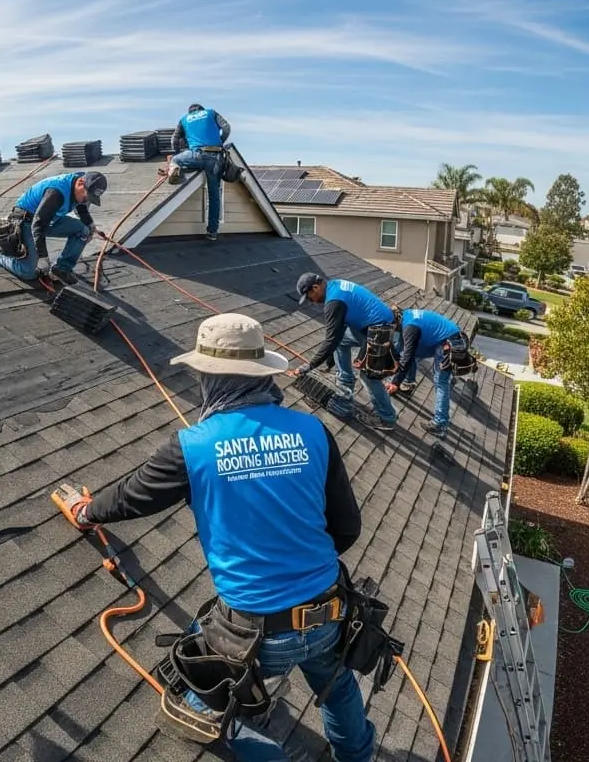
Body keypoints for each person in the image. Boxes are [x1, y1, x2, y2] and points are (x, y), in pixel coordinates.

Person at [55, 313, 373, 762]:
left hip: (253, 632)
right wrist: (300, 567)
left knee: (200, 711)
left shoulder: (194, 446)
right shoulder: (314, 432)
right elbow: (347, 527)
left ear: (210, 376)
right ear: (261, 374)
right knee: (337, 686)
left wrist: (85, 512)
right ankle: (357, 756)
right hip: (330, 611)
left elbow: (131, 497)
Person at [285, 273, 400, 431]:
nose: (312, 301)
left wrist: (309, 365)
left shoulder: (334, 301)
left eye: (310, 297)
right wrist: (330, 361)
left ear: (315, 287)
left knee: (369, 377)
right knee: (343, 340)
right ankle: (345, 384)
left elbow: (331, 339)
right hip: (370, 326)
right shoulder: (335, 285)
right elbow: (338, 334)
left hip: (379, 331)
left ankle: (387, 418)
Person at [0, 171, 107, 285]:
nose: (86, 200)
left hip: (49, 218)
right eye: (86, 197)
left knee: (84, 231)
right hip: (26, 221)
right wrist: (43, 257)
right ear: (80, 183)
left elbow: (80, 206)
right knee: (29, 272)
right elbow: (38, 225)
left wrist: (90, 225)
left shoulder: (79, 185)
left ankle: (61, 269)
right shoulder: (56, 194)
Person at [385, 307, 467, 438]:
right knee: (408, 351)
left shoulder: (410, 327)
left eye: (391, 327)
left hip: (450, 343)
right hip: (448, 337)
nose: (392, 331)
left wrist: (395, 382)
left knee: (441, 382)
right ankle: (408, 384)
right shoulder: (406, 316)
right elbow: (405, 350)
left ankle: (439, 424)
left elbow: (407, 356)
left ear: (395, 322)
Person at [167, 103, 232, 241]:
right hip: (215, 158)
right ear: (201, 110)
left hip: (195, 155)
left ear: (190, 112)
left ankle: (176, 172)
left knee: (175, 159)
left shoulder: (184, 119)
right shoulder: (211, 112)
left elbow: (174, 139)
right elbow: (226, 128)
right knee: (214, 195)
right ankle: (212, 232)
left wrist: (178, 152)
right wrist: (219, 143)